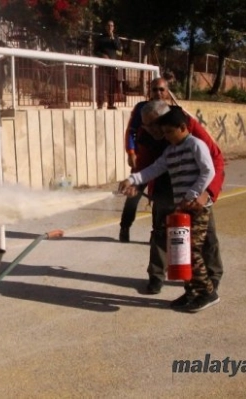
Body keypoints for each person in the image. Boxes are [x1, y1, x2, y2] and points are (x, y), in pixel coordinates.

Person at [118, 106, 220, 313]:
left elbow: (209, 170)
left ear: (182, 127)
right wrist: (132, 179)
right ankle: (191, 292)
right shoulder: (170, 151)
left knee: (192, 251)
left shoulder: (195, 145)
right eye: (163, 133)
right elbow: (153, 169)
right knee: (181, 251)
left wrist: (193, 194)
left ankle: (207, 292)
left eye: (168, 132)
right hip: (182, 210)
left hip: (197, 209)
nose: (165, 136)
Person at [119, 77, 174, 242]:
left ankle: (156, 232)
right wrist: (131, 152)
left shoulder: (172, 111)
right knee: (133, 195)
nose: (158, 93)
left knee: (160, 199)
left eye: (161, 89)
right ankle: (125, 226)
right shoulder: (142, 108)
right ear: (149, 92)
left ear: (167, 92)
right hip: (144, 159)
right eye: (154, 89)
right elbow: (132, 130)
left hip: (164, 162)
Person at [93, 20, 121, 110]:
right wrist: (102, 55)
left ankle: (111, 104)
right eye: (108, 25)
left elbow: (118, 48)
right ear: (106, 27)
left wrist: (112, 38)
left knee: (112, 85)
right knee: (101, 84)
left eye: (112, 26)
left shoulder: (116, 38)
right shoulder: (101, 38)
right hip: (103, 64)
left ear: (113, 27)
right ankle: (100, 104)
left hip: (112, 65)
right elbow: (95, 51)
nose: (110, 27)